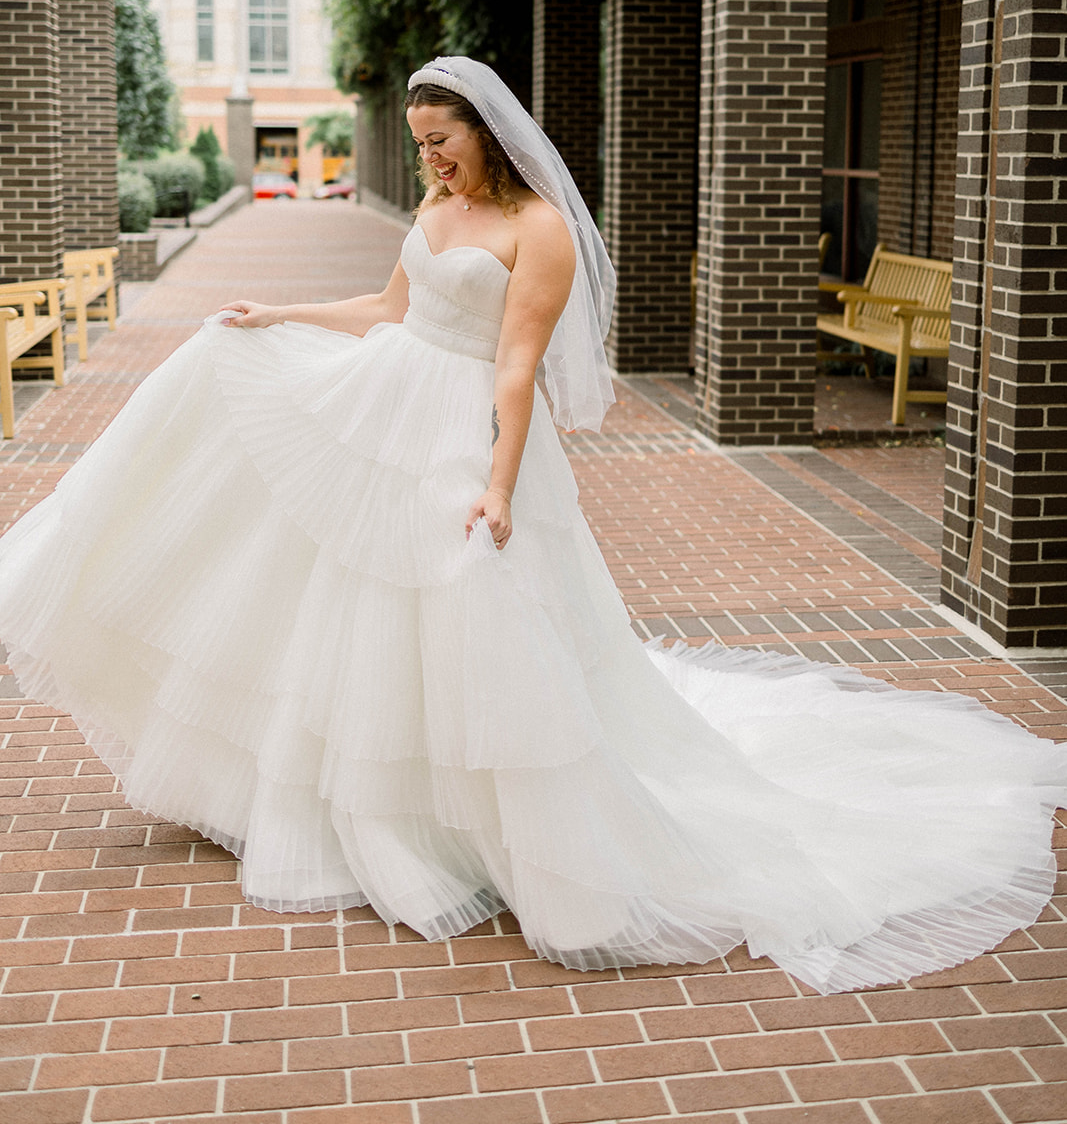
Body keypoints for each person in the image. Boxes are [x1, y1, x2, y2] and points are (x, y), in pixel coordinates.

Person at [0, 54, 1064, 995]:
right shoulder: (434, 209)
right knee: (341, 589)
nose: (431, 163)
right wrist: (276, 315)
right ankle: (373, 803)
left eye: (442, 142)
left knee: (467, 608)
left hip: (467, 430)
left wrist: (499, 484)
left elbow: (513, 365)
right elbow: (389, 310)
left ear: (487, 132)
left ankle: (493, 824)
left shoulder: (537, 227)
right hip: (382, 397)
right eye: (418, 146)